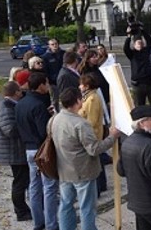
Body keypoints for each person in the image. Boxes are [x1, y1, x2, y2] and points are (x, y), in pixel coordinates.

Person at [52, 87, 120, 230]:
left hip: (64, 169)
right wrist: (112, 137)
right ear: (78, 101)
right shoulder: (81, 124)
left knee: (66, 205)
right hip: (83, 171)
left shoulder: (55, 119)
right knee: (87, 208)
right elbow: (95, 149)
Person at [15, 72, 59, 230]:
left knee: (34, 186)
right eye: (46, 84)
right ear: (40, 86)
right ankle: (51, 224)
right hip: (41, 151)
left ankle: (38, 222)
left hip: (28, 149)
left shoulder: (20, 103)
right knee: (49, 187)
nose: (48, 86)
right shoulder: (38, 105)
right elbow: (43, 132)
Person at [0, 81, 32, 221]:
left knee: (22, 180)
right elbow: (9, 129)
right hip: (14, 151)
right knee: (20, 182)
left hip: (16, 149)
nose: (22, 92)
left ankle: (24, 208)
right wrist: (26, 124)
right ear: (16, 92)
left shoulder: (11, 104)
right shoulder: (6, 107)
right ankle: (21, 211)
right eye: (20, 90)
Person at [78, 73, 110, 194]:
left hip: (93, 135)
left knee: (95, 163)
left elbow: (91, 121)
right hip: (94, 134)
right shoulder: (88, 97)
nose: (79, 87)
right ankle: (101, 185)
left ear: (86, 86)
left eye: (81, 85)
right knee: (98, 161)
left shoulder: (92, 99)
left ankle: (98, 188)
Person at [124, 28, 151, 106]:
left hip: (149, 83)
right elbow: (126, 48)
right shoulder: (132, 54)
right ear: (134, 45)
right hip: (138, 85)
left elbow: (149, 42)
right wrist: (128, 36)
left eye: (141, 43)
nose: (140, 45)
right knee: (139, 105)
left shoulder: (147, 52)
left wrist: (143, 30)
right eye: (138, 43)